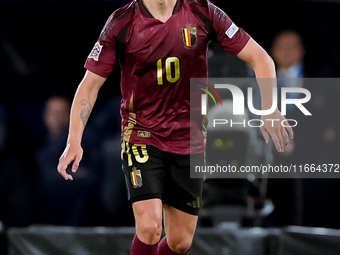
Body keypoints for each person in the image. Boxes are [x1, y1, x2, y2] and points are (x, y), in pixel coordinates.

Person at [57, 0, 293, 254]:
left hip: (189, 139)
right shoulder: (122, 22)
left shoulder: (202, 11)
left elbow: (261, 58)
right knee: (149, 226)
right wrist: (74, 139)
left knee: (180, 242)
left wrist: (270, 109)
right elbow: (89, 85)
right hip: (142, 134)